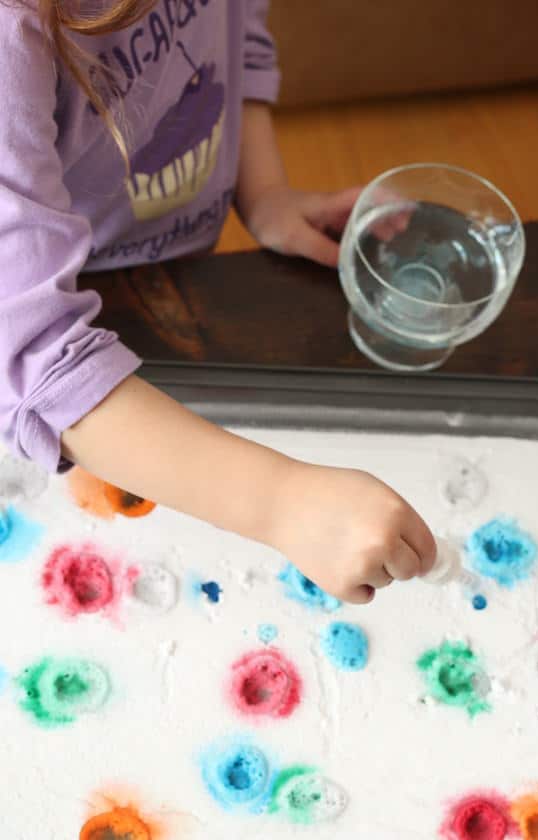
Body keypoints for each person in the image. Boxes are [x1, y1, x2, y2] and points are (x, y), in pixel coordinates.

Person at [0, 0, 436, 602]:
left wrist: (266, 194)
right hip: (67, 333)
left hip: (165, 277)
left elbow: (234, 31)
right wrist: (282, 502)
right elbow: (31, 366)